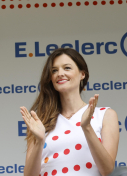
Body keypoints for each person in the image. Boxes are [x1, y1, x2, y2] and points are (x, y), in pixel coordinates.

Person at [20, 48, 119, 176]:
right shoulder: (40, 121)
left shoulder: (105, 115)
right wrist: (39, 141)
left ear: (82, 74)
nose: (60, 73)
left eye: (67, 68)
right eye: (54, 70)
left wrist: (86, 127)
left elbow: (107, 170)